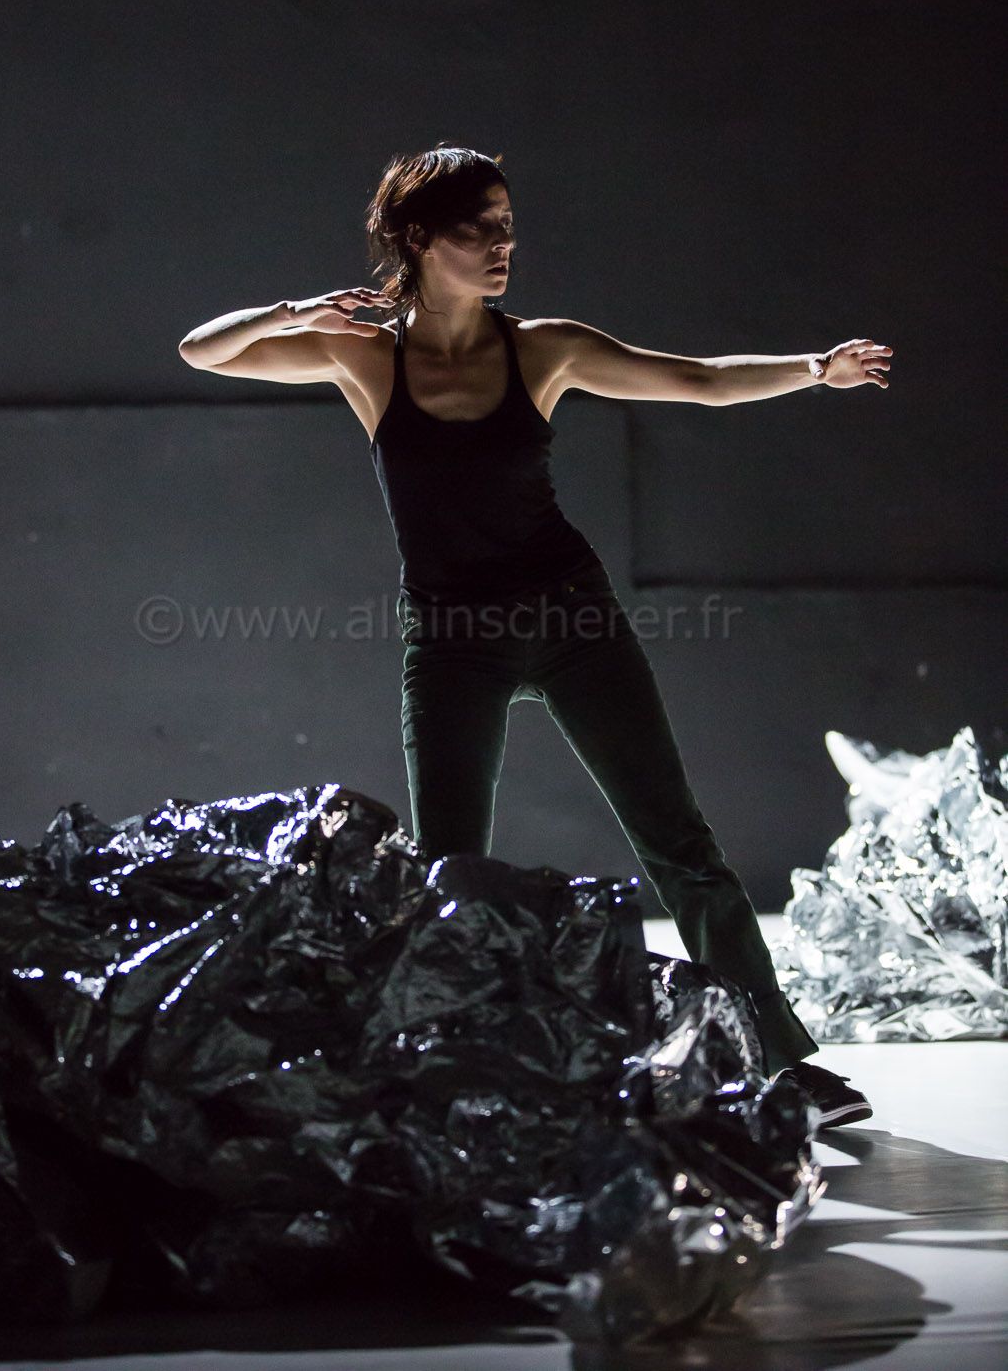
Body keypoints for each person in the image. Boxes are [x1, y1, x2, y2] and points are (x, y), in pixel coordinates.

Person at [178, 143, 891, 1129]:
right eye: (479, 229)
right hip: (452, 640)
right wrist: (292, 313)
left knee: (680, 844)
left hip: (572, 620)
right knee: (449, 871)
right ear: (418, 238)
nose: (502, 245)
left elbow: (696, 380)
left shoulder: (544, 348)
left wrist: (815, 369)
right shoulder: (365, 355)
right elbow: (202, 351)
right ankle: (445, 1079)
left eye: (508, 227)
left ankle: (777, 1064)